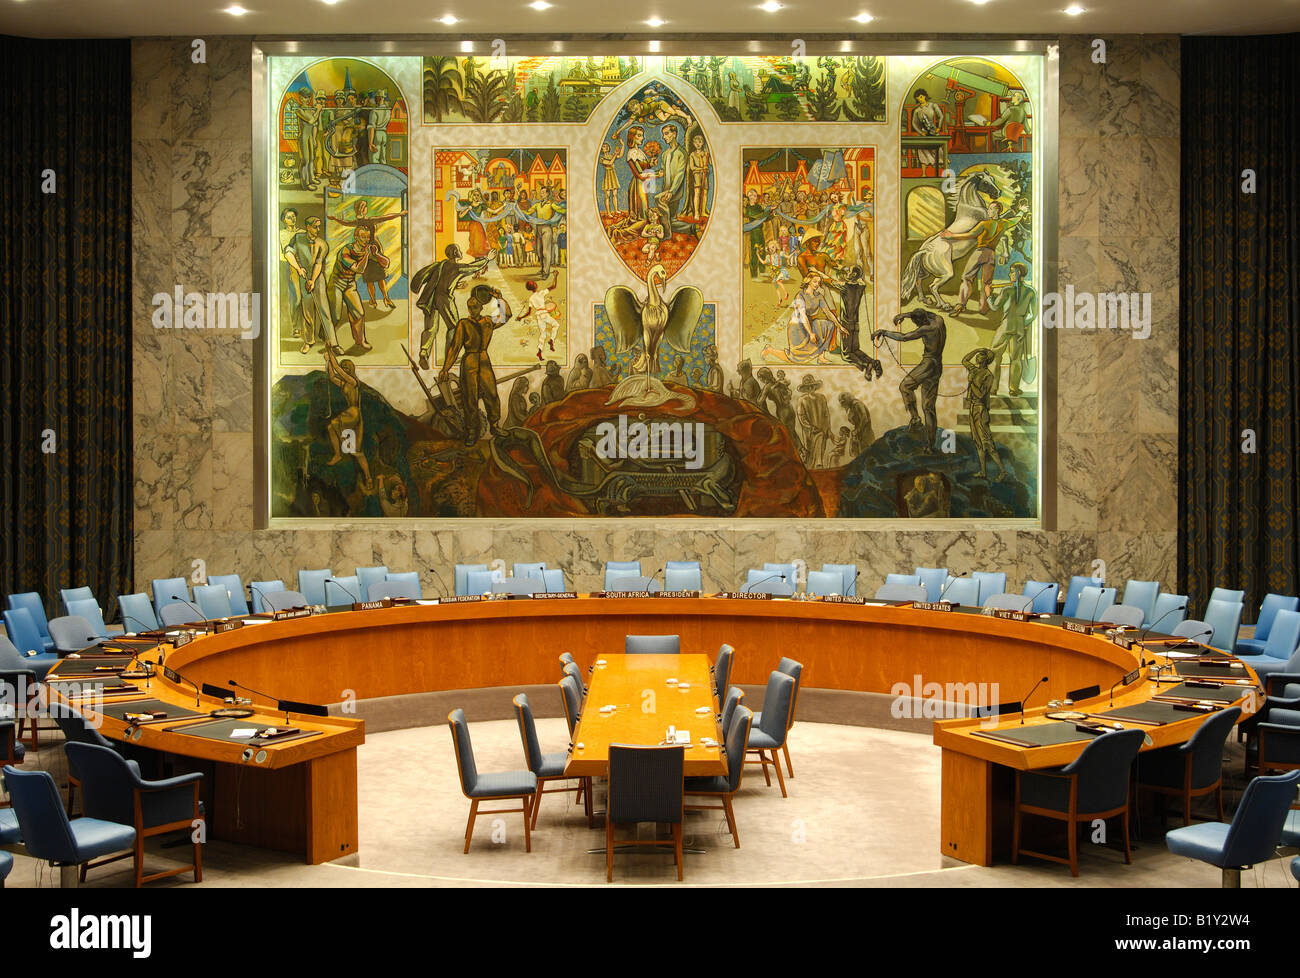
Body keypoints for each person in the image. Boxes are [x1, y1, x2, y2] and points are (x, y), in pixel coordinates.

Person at [440, 284, 511, 446]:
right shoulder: (463, 324)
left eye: (475, 307)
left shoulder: (487, 321)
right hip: (469, 361)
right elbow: (455, 347)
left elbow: (506, 315)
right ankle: (472, 431)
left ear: (480, 307)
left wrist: (499, 298)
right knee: (470, 398)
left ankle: (495, 425)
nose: (472, 310)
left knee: (491, 393)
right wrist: (445, 368)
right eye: (470, 307)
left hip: (484, 360)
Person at [411, 243, 494, 370]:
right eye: (459, 250)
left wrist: (454, 285)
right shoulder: (456, 267)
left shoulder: (441, 264)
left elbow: (440, 281)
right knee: (454, 327)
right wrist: (487, 259)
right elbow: (471, 267)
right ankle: (449, 356)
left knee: (430, 328)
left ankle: (423, 353)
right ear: (455, 254)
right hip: (444, 298)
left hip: (431, 298)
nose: (461, 252)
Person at [874, 308, 947, 452]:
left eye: (915, 322)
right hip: (938, 365)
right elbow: (929, 313)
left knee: (905, 386)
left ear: (918, 321)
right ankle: (930, 446)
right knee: (928, 408)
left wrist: (884, 332)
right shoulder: (939, 320)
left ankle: (915, 418)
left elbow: (904, 337)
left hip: (928, 363)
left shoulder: (925, 329)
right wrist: (906, 315)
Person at [942, 199, 1028, 316]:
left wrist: (952, 236)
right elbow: (1016, 220)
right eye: (989, 208)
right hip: (991, 255)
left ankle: (960, 305)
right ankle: (984, 308)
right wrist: (1022, 211)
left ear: (997, 211)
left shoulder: (984, 224)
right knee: (987, 283)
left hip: (980, 253)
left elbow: (970, 235)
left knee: (967, 278)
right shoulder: (1004, 224)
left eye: (991, 208)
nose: (989, 211)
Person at [333, 199, 407, 310]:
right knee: (372, 279)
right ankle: (378, 299)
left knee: (376, 278)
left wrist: (335, 219)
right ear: (362, 209)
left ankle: (383, 298)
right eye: (364, 207)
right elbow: (386, 217)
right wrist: (400, 214)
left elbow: (345, 223)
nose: (365, 209)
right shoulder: (367, 221)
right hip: (368, 251)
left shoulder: (360, 221)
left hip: (372, 251)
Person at [283, 216, 336, 355]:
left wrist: (312, 280)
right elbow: (288, 253)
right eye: (315, 226)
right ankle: (309, 341)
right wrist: (299, 269)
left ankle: (333, 343)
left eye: (319, 226)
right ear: (307, 227)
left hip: (317, 278)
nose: (318, 229)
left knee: (324, 309)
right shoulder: (297, 238)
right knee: (307, 311)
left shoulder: (323, 244)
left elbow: (319, 264)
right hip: (304, 277)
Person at [323, 344, 372, 491]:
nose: (343, 370)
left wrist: (331, 354)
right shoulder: (344, 383)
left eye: (346, 368)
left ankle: (339, 453)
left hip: (354, 412)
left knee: (333, 424)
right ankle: (368, 477)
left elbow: (337, 370)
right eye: (343, 367)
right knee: (355, 450)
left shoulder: (353, 382)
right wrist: (327, 361)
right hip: (351, 414)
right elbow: (332, 376)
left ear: (351, 370)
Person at [988, 261, 1036, 396]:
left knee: (995, 356)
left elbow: (994, 307)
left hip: (1006, 326)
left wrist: (988, 295)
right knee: (1016, 358)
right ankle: (1014, 388)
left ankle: (992, 388)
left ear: (1018, 273)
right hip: (1020, 327)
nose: (1010, 275)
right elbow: (1033, 314)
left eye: (1011, 272)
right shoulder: (1031, 291)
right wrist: (1022, 322)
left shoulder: (1006, 290)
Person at [829, 265, 882, 378]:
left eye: (849, 271)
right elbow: (861, 282)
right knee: (856, 350)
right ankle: (874, 362)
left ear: (853, 275)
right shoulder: (860, 287)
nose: (846, 273)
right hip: (855, 323)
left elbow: (830, 281)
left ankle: (866, 364)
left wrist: (818, 272)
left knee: (847, 354)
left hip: (846, 323)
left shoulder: (844, 287)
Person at [328, 226, 375, 352]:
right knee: (335, 315)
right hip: (336, 282)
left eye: (367, 237)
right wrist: (367, 255)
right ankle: (328, 339)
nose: (366, 240)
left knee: (359, 313)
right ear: (356, 237)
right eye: (363, 237)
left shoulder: (366, 250)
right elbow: (359, 269)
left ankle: (360, 341)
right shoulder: (346, 251)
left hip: (350, 284)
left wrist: (376, 254)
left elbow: (385, 263)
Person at [962, 347, 1005, 481]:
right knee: (978, 442)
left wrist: (971, 382)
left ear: (986, 360)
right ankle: (983, 472)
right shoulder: (974, 370)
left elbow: (981, 394)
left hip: (981, 409)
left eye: (980, 356)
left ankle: (1003, 471)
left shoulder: (988, 376)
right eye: (978, 356)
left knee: (987, 442)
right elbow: (964, 360)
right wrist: (976, 350)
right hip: (973, 408)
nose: (977, 357)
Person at [522, 272, 562, 361]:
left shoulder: (531, 298)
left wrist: (520, 317)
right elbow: (553, 286)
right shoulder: (540, 293)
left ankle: (539, 351)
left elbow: (529, 312)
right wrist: (555, 276)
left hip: (538, 316)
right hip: (544, 314)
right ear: (535, 286)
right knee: (556, 325)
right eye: (534, 283)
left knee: (542, 334)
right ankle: (551, 340)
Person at [795, 374, 831, 469]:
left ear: (815, 386)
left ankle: (819, 467)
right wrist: (810, 427)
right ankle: (813, 469)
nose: (810, 388)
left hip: (822, 429)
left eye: (812, 386)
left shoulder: (822, 398)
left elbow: (826, 414)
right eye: (808, 387)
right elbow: (801, 416)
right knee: (810, 452)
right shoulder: (802, 400)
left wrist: (827, 428)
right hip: (809, 431)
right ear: (805, 388)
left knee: (821, 449)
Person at [837, 392, 874, 457]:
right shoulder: (852, 406)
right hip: (860, 435)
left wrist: (857, 430)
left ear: (847, 400)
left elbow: (864, 418)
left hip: (865, 435)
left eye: (843, 402)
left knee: (866, 455)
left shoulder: (856, 404)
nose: (843, 405)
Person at [687, 132, 710, 220]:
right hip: (697, 176)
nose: (698, 144)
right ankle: (696, 212)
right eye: (696, 142)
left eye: (700, 142)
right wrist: (701, 168)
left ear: (703, 143)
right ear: (693, 143)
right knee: (697, 193)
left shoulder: (705, 154)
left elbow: (710, 164)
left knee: (705, 193)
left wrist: (709, 158)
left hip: (705, 176)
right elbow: (692, 167)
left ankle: (703, 211)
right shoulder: (692, 155)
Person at [599, 140, 624, 213]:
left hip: (613, 175)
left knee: (615, 194)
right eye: (604, 146)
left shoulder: (611, 156)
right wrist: (615, 155)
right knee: (607, 195)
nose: (606, 147)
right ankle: (608, 212)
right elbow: (610, 163)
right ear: (601, 149)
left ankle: (616, 210)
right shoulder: (601, 158)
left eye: (607, 146)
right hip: (607, 176)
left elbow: (621, 155)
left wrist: (623, 145)